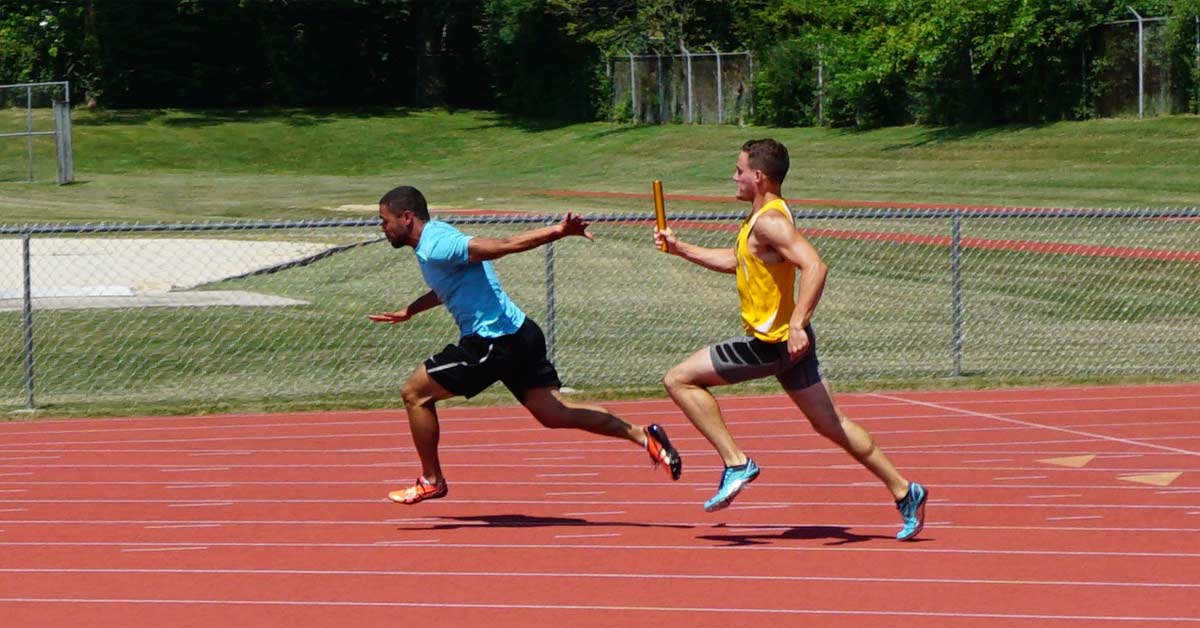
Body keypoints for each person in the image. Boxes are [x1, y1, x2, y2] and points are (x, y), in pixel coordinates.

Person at [653, 139, 927, 540]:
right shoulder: (762, 217)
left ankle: (735, 462)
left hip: (771, 343)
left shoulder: (770, 222)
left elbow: (816, 265)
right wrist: (681, 249)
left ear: (758, 176)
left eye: (739, 169)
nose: (734, 176)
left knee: (678, 379)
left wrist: (798, 322)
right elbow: (736, 261)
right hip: (791, 345)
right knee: (832, 424)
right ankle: (905, 490)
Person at [371, 185, 681, 505]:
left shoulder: (438, 243)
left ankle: (432, 480)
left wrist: (558, 231)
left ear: (407, 218)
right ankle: (645, 436)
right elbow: (447, 287)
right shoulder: (432, 242)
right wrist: (411, 310)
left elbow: (503, 245)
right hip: (520, 334)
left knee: (415, 394)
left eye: (385, 220)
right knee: (554, 413)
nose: (383, 228)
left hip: (494, 340)